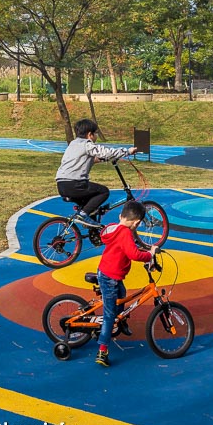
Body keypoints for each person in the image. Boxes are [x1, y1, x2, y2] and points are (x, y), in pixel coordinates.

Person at [93, 200, 158, 368]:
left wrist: (141, 245)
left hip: (110, 274)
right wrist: (149, 255)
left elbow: (127, 244)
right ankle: (102, 350)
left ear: (121, 216)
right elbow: (134, 254)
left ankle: (120, 322)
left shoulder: (115, 227)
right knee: (109, 314)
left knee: (122, 296)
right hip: (109, 278)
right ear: (136, 223)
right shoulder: (125, 234)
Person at [54, 118, 138, 227]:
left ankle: (92, 229)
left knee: (92, 207)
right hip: (75, 184)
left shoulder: (73, 144)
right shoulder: (87, 144)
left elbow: (88, 159)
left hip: (62, 184)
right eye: (96, 133)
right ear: (90, 135)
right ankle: (83, 215)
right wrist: (127, 151)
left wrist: (104, 159)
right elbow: (105, 152)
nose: (97, 136)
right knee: (103, 191)